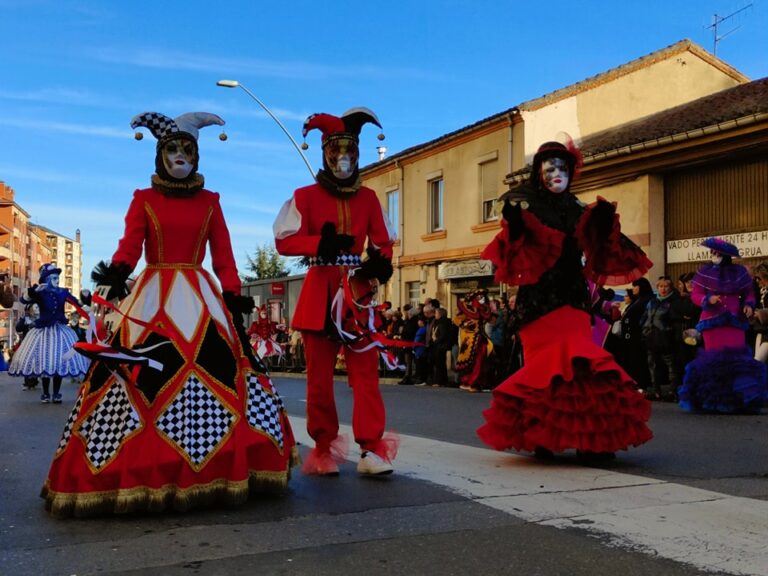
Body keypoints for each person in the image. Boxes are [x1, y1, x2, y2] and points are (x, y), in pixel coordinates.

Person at [42, 110, 297, 518]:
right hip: (153, 294)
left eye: (187, 150)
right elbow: (130, 245)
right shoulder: (143, 199)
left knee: (217, 373)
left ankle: (214, 464)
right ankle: (144, 465)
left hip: (202, 296)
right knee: (145, 379)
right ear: (161, 155)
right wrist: (118, 270)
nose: (181, 156)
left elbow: (225, 256)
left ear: (197, 156)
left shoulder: (211, 202)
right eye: (174, 149)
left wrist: (233, 296)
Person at [477, 137, 653, 462]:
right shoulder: (524, 205)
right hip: (537, 303)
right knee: (543, 372)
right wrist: (515, 225)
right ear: (539, 173)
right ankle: (543, 437)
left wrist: (603, 226)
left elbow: (603, 251)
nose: (557, 173)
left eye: (563, 167)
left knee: (580, 367)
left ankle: (591, 441)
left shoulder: (577, 209)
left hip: (572, 298)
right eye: (550, 167)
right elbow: (510, 252)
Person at [274, 107, 397, 476]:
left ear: (356, 155)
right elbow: (284, 240)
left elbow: (382, 240)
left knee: (366, 377)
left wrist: (379, 262)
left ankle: (372, 448)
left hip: (356, 293)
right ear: (326, 155)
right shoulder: (305, 196)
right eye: (336, 154)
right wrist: (319, 244)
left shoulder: (370, 198)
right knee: (319, 382)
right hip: (319, 289)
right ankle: (324, 446)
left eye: (349, 154)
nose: (343, 160)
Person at [678, 238, 767, 413]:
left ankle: (738, 399)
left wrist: (748, 305)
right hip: (712, 321)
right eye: (712, 252)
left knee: (736, 359)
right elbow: (695, 295)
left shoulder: (739, 272)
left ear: (725, 255)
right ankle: (713, 399)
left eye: (716, 253)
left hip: (735, 321)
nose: (713, 255)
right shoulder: (704, 272)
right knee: (715, 359)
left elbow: (749, 293)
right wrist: (707, 299)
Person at [9, 264, 89, 403]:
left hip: (60, 331)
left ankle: (56, 393)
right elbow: (24, 300)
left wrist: (85, 297)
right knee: (44, 364)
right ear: (46, 279)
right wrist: (33, 292)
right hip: (43, 331)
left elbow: (78, 303)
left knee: (58, 363)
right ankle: (46, 393)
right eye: (54, 277)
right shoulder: (40, 292)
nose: (57, 280)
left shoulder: (63, 292)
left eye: (58, 277)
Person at [640, 276, 681, 401]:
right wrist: (644, 329)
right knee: (653, 364)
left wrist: (668, 330)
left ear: (670, 287)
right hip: (651, 336)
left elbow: (675, 320)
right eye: (660, 286)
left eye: (666, 286)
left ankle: (672, 391)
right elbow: (645, 317)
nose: (663, 289)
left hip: (666, 337)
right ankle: (656, 390)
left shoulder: (673, 301)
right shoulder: (653, 301)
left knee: (671, 364)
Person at [454, 289, 494, 392]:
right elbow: (457, 319)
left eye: (483, 297)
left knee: (480, 361)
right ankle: (469, 382)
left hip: (481, 338)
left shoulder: (484, 309)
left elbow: (490, 319)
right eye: (479, 297)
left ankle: (476, 383)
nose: (482, 299)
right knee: (471, 362)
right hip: (470, 339)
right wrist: (465, 324)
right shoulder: (467, 309)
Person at [752, 263, 768, 364]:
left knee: (757, 362)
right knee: (758, 363)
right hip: (761, 331)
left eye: (759, 278)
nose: (757, 281)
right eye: (755, 278)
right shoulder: (762, 291)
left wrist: (762, 313)